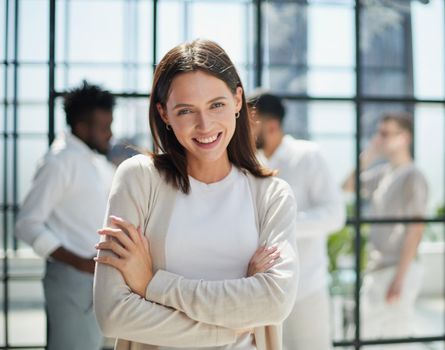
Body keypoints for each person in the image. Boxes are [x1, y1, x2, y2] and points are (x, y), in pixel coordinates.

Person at [93, 39, 299, 350]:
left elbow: (274, 303)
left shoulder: (271, 195)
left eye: (216, 104)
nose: (205, 125)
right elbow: (113, 315)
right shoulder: (139, 179)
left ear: (238, 100)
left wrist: (151, 284)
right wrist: (232, 328)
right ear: (164, 114)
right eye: (186, 110)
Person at [15, 81, 116, 350]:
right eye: (104, 127)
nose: (110, 134)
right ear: (82, 128)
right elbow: (27, 225)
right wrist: (81, 263)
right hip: (72, 278)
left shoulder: (93, 161)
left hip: (94, 281)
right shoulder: (58, 162)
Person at [247, 92, 345, 350]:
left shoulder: (308, 155)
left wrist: (282, 225)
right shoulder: (251, 164)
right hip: (263, 291)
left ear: (272, 126)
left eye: (249, 124)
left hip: (306, 288)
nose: (242, 131)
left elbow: (335, 214)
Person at [343, 112, 428, 341]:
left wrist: (400, 278)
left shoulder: (413, 176)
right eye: (379, 133)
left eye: (386, 133)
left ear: (405, 137)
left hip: (397, 269)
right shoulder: (383, 174)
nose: (381, 138)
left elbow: (416, 228)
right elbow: (347, 185)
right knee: (365, 335)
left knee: (395, 338)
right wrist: (370, 153)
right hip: (378, 268)